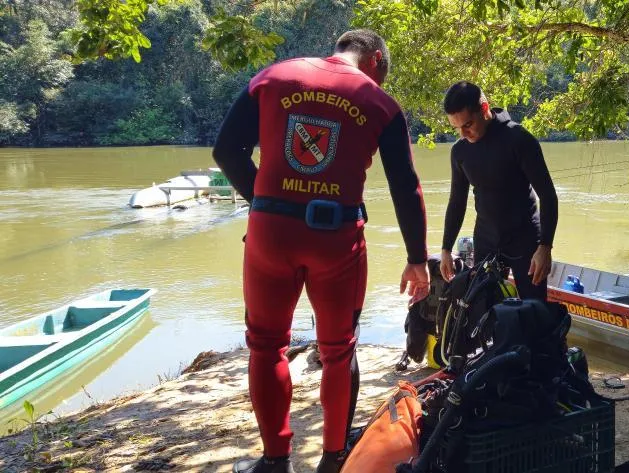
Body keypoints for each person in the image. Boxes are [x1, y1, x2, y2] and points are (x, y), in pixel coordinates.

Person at [212, 29, 429, 473]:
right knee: (338, 350)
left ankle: (275, 462)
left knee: (267, 347)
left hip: (270, 234)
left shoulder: (272, 77)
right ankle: (333, 460)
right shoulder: (379, 103)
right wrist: (416, 257)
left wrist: (265, 204)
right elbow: (405, 186)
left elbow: (225, 151)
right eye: (383, 72)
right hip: (337, 238)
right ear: (375, 59)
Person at [439, 81, 558, 300]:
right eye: (457, 128)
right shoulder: (460, 151)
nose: (464, 133)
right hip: (486, 240)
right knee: (483, 311)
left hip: (526, 240)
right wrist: (446, 248)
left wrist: (545, 247)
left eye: (468, 125)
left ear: (484, 108)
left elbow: (548, 196)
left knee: (533, 312)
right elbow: (457, 202)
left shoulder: (519, 139)